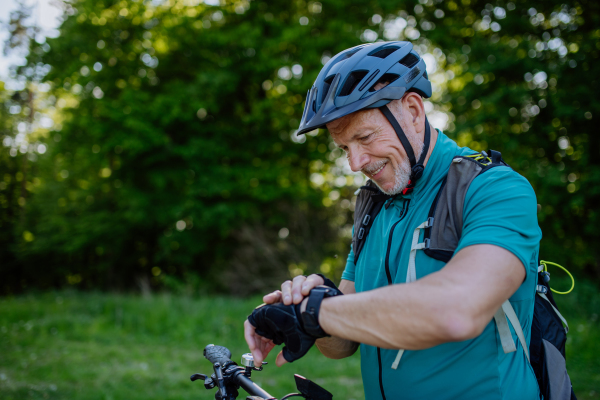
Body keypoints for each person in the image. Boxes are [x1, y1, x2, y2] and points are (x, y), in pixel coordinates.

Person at [244, 41, 542, 399]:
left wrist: (317, 311)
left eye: (365, 137)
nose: (355, 163)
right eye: (343, 148)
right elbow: (341, 344)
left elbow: (458, 310)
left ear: (413, 111)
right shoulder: (374, 204)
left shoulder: (495, 189)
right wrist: (309, 305)